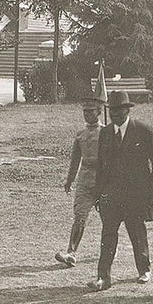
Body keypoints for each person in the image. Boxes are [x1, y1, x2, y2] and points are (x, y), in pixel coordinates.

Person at [89, 90, 153, 291]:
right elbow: (101, 166)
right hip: (111, 197)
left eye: (120, 110)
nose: (116, 114)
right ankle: (103, 277)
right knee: (108, 236)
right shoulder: (105, 133)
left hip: (136, 197)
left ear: (128, 110)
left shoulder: (144, 131)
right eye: (112, 111)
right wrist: (98, 194)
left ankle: (144, 269)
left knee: (137, 233)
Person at [56, 97, 104, 267]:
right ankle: (71, 252)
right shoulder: (80, 135)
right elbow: (75, 160)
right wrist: (69, 180)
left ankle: (109, 250)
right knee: (80, 217)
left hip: (103, 182)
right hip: (85, 181)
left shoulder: (107, 133)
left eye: (90, 111)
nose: (87, 115)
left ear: (99, 112)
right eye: (85, 112)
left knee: (109, 220)